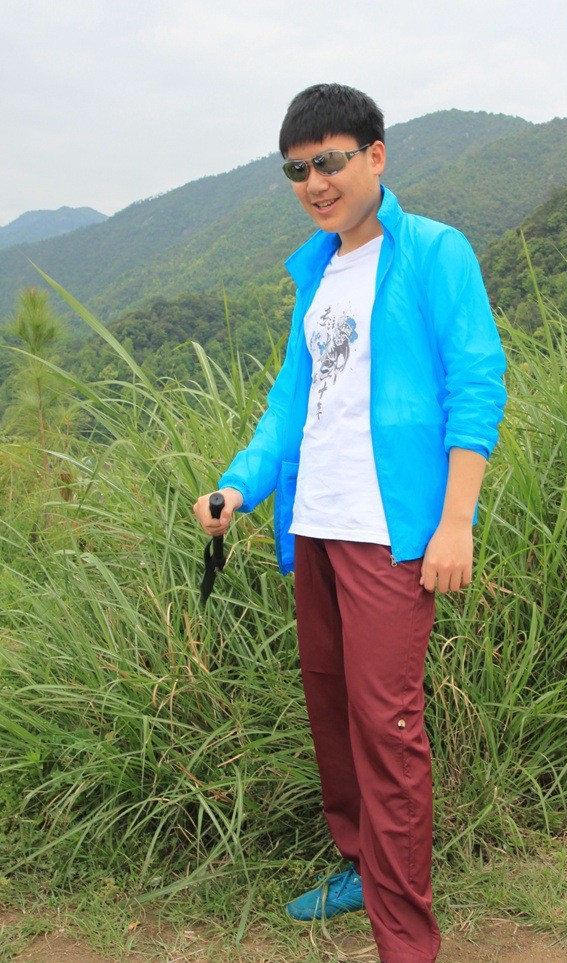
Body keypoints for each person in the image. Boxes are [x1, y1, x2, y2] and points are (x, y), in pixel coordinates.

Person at [194, 83, 507, 963]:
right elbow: (289, 407)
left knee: (386, 724)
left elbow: (476, 384)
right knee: (332, 710)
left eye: (329, 162)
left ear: (375, 155)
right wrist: (237, 488)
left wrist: (456, 521)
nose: (315, 183)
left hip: (389, 532)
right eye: (297, 170)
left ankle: (405, 940)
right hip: (316, 529)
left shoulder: (434, 252)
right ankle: (361, 863)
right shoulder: (318, 273)